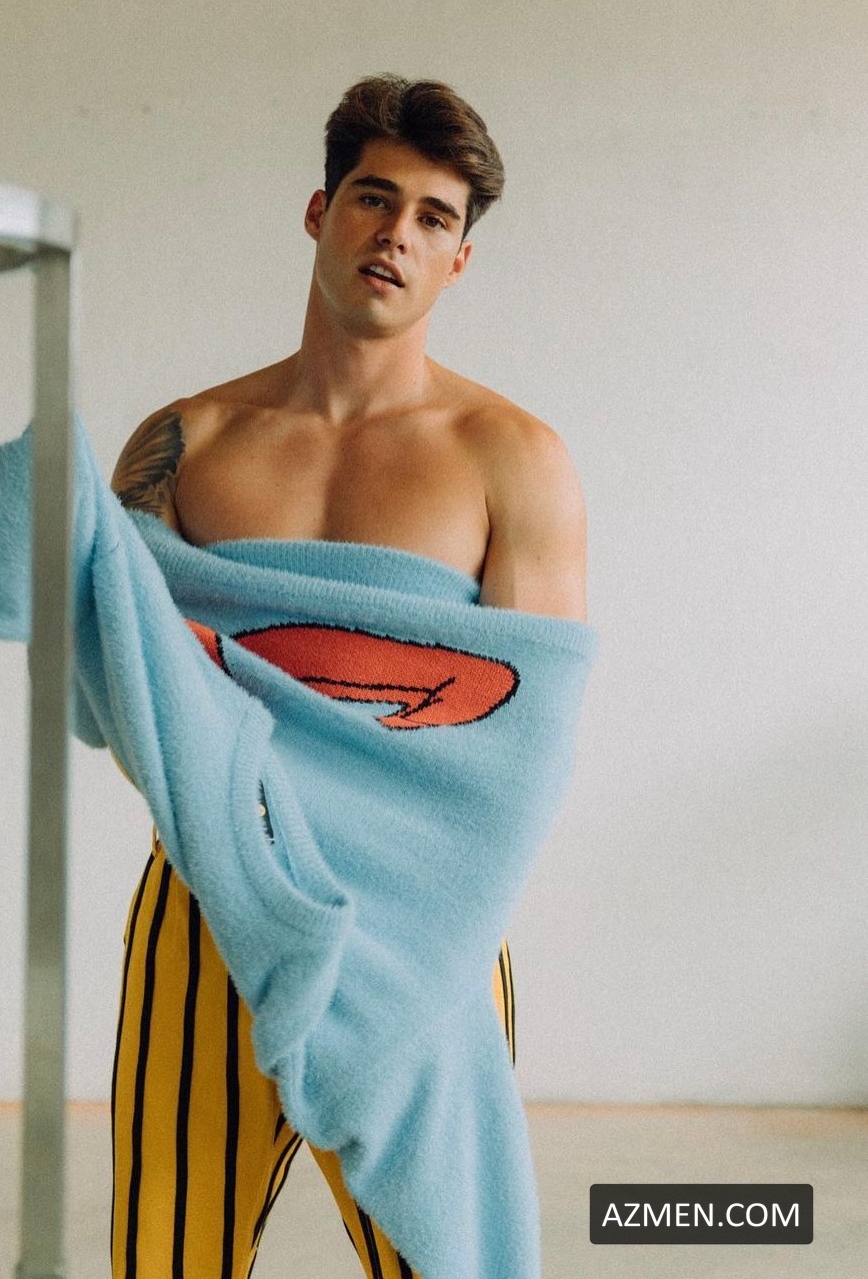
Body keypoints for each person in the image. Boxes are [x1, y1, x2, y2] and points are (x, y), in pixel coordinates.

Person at [107, 75, 588, 1279]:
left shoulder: (512, 459)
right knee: (165, 1260)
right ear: (320, 212)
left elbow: (521, 748)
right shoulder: (185, 442)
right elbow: (128, 682)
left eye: (434, 217)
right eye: (375, 199)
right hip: (210, 907)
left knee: (446, 1256)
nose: (397, 234)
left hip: (426, 926)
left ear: (459, 261)